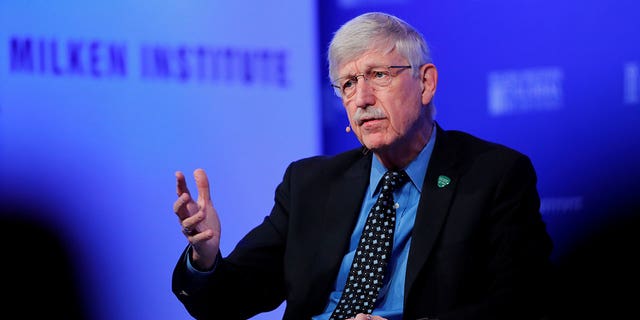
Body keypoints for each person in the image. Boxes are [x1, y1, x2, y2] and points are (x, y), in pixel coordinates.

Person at [172, 12, 553, 320]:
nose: (362, 98)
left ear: (425, 83)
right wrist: (204, 259)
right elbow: (224, 303)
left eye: (378, 75)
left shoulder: (494, 176)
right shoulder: (308, 184)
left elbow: (519, 303)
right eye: (349, 83)